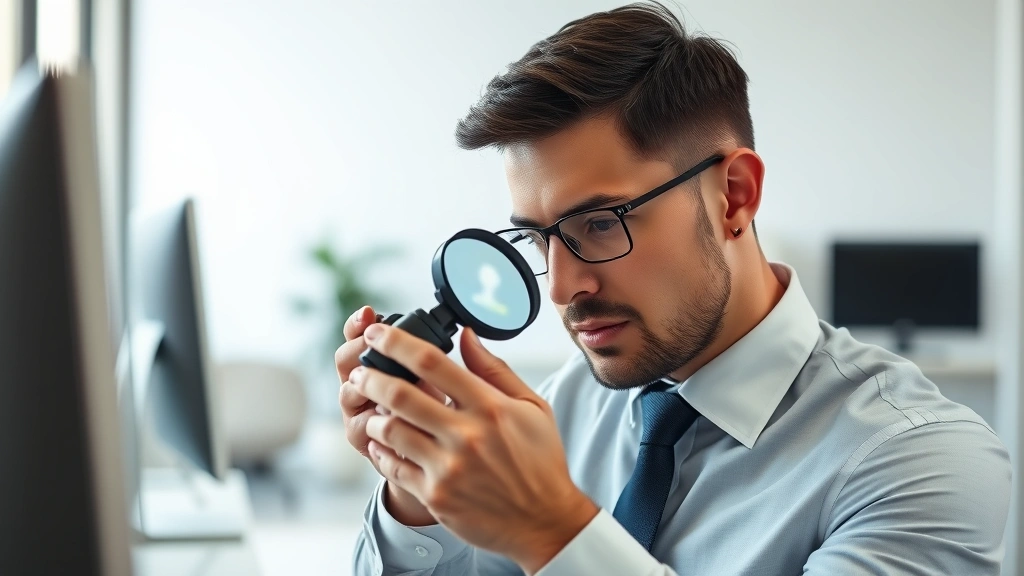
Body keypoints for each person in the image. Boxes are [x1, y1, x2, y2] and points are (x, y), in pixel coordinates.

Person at [336, 3, 1012, 574]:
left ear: (734, 196)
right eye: (540, 238)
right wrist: (416, 499)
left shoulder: (922, 461)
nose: (565, 287)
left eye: (600, 222)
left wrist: (553, 531)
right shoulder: (562, 409)